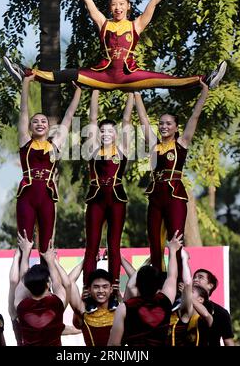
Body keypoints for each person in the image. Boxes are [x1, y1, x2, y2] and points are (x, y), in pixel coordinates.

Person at [3, 0, 226, 91]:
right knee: (68, 73)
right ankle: (26, 72)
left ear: (128, 6)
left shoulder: (136, 24)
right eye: (113, 5)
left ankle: (205, 79)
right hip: (104, 76)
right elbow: (87, 0)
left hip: (131, 75)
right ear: (110, 8)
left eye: (121, 4)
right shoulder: (104, 23)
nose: (117, 8)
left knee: (167, 78)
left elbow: (154, 2)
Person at [134, 79, 214, 282]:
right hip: (155, 197)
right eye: (161, 123)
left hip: (175, 196)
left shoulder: (181, 143)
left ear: (176, 127)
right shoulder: (154, 144)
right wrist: (135, 92)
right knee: (154, 243)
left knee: (175, 242)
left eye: (168, 123)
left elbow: (195, 116)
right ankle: (157, 282)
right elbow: (143, 118)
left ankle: (177, 284)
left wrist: (204, 92)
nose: (163, 126)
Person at [16, 75, 81, 254]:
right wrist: (26, 82)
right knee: (24, 244)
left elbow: (68, 117)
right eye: (35, 121)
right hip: (26, 196)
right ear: (29, 127)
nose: (39, 124)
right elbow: (23, 111)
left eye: (43, 121)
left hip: (47, 196)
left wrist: (78, 91)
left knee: (46, 246)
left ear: (48, 126)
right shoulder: (25, 141)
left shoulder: (55, 144)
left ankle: (47, 280)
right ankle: (21, 281)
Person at [82, 89, 133, 312]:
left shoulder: (122, 149)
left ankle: (113, 292)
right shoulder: (93, 149)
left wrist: (133, 93)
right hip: (96, 199)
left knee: (114, 246)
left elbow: (127, 120)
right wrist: (94, 89)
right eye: (103, 131)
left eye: (110, 131)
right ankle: (87, 291)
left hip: (117, 200)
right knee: (92, 246)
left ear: (116, 134)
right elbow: (92, 119)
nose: (105, 134)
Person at [107, 231, 183, 346]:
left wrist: (146, 263)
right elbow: (172, 277)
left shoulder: (125, 307)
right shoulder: (165, 301)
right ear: (159, 286)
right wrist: (172, 250)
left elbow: (113, 345)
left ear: (137, 284)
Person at [14, 239, 71, 346]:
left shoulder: (21, 306)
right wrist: (51, 260)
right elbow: (64, 284)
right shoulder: (57, 302)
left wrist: (26, 251)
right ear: (48, 283)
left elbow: (22, 279)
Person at [168, 248, 213, 346]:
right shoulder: (179, 313)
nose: (196, 280)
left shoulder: (206, 318)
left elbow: (206, 315)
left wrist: (184, 259)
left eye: (191, 291)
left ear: (200, 299)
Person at [68, 260, 116, 346]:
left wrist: (119, 258)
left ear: (111, 289)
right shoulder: (83, 310)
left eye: (105, 287)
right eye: (96, 287)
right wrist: (86, 260)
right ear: (89, 289)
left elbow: (135, 285)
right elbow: (69, 282)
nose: (101, 291)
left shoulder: (120, 309)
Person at [193, 268, 234, 346]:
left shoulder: (221, 312)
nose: (195, 280)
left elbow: (228, 341)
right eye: (194, 277)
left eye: (200, 277)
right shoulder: (183, 306)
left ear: (210, 285)